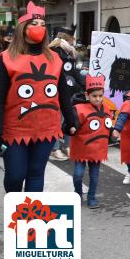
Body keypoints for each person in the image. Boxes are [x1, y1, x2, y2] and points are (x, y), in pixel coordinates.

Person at [0, 2, 77, 192]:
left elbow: (63, 93)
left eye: (43, 25)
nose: (40, 29)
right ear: (23, 28)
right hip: (15, 130)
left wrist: (71, 120)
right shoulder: (6, 59)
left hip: (46, 129)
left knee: (36, 175)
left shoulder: (55, 58)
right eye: (34, 24)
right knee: (15, 175)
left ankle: (29, 219)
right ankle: (14, 212)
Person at [69, 74, 113, 208]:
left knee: (94, 176)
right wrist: (71, 128)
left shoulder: (106, 108)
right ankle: (78, 193)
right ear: (87, 95)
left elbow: (108, 125)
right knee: (78, 175)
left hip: (97, 149)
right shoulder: (79, 109)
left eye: (100, 95)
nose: (98, 99)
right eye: (94, 96)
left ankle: (91, 197)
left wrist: (112, 134)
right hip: (82, 147)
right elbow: (72, 123)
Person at [49, 26, 83, 161]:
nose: (73, 42)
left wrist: (85, 84)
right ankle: (55, 148)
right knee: (57, 119)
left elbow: (74, 72)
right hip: (57, 89)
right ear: (67, 39)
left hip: (70, 90)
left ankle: (67, 146)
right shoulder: (54, 51)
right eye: (72, 39)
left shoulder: (70, 52)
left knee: (69, 117)